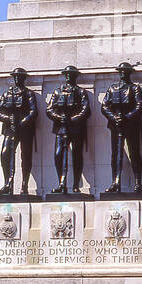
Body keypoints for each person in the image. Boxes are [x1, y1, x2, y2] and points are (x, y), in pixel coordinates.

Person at [100, 61, 142, 194]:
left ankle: (138, 183)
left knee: (134, 153)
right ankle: (116, 182)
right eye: (121, 71)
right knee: (116, 155)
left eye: (125, 72)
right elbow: (104, 106)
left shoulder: (135, 88)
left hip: (131, 125)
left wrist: (127, 116)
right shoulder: (112, 88)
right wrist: (114, 117)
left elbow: (139, 106)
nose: (123, 74)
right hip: (116, 125)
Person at [0, 66, 38, 197]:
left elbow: (33, 111)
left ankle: (24, 184)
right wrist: (8, 118)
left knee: (26, 156)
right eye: (16, 77)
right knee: (5, 153)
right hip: (10, 129)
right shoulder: (7, 93)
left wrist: (22, 122)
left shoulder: (29, 94)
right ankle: (7, 183)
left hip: (25, 129)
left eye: (20, 77)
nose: (18, 79)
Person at [45, 65, 90, 193]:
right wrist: (59, 117)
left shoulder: (81, 92)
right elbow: (49, 109)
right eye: (67, 74)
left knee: (77, 155)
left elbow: (85, 109)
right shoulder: (57, 92)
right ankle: (61, 183)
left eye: (72, 74)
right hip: (61, 129)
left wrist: (73, 119)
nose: (69, 76)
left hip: (76, 128)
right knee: (59, 154)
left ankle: (75, 185)